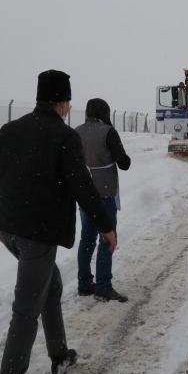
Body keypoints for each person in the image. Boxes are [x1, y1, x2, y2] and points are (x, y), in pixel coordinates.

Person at [0, 70, 117, 374]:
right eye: (68, 101)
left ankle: (59, 355)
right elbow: (82, 187)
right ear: (63, 102)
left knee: (51, 287)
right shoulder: (63, 135)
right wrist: (105, 226)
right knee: (26, 307)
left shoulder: (11, 129)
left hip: (11, 232)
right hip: (36, 235)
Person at [74, 99, 131, 302]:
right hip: (104, 193)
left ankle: (84, 283)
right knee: (107, 238)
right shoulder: (108, 131)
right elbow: (123, 163)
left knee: (86, 239)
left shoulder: (76, 131)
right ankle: (104, 286)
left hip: (84, 193)